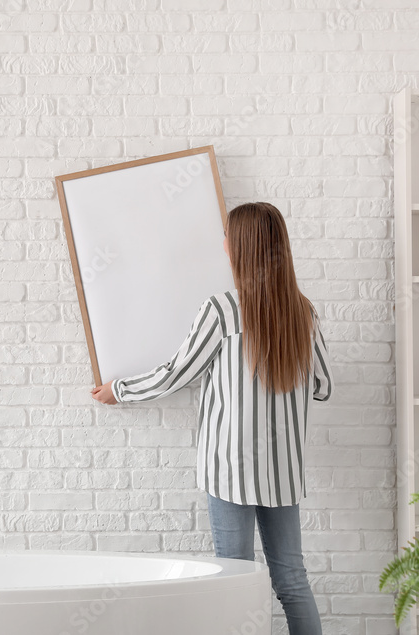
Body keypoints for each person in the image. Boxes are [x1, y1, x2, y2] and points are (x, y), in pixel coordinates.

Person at [91, 201, 332, 635]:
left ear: (237, 248)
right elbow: (323, 385)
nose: (222, 242)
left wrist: (119, 390)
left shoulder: (222, 310)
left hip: (229, 469)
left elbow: (175, 375)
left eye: (226, 236)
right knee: (291, 580)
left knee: (233, 582)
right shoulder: (304, 311)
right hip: (281, 470)